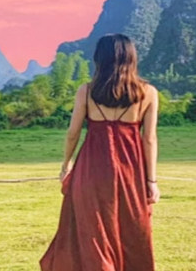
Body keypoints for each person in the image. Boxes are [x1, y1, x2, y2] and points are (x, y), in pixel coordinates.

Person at [40, 33, 160, 271]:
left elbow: (73, 133)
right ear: (132, 58)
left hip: (91, 169)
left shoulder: (86, 91)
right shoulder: (148, 92)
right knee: (130, 228)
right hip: (130, 172)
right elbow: (149, 139)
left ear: (99, 59)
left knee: (93, 230)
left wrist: (66, 165)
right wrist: (151, 181)